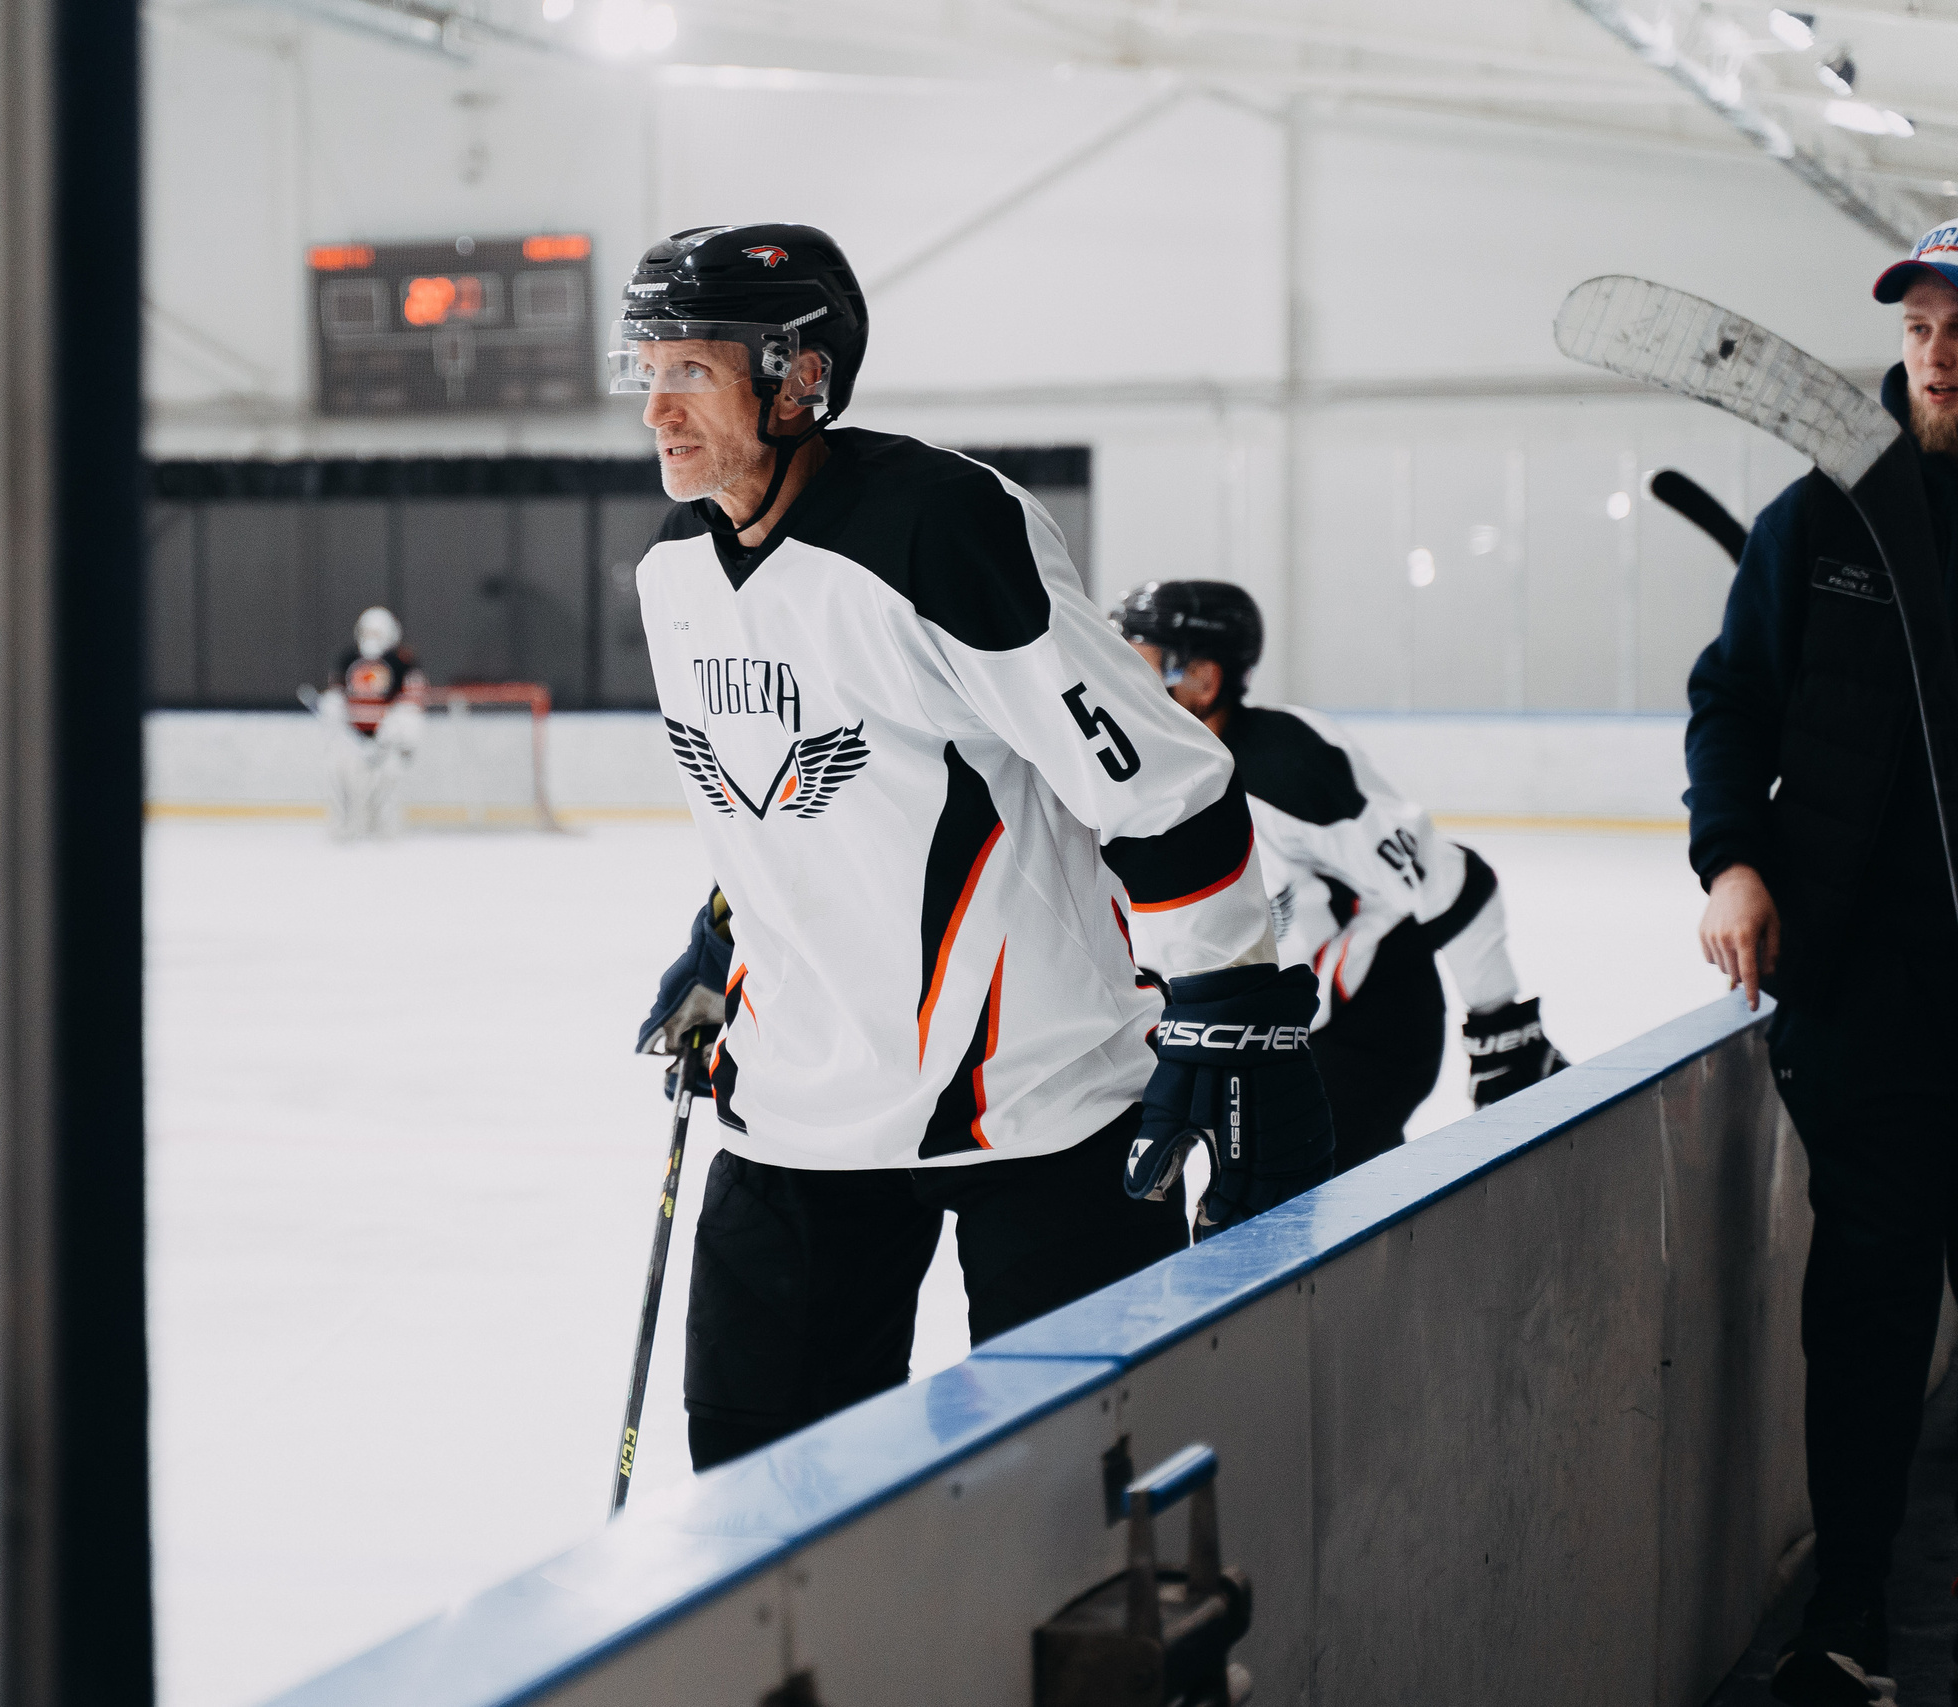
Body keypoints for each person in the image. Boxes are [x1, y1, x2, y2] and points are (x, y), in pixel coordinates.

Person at [616, 222, 1335, 1472]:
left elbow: (1151, 778)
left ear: (798, 375)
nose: (656, 410)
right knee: (753, 1504)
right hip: (791, 1109)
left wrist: (1224, 1000)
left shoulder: (937, 524)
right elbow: (788, 797)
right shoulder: (671, 572)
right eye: (646, 370)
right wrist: (722, 930)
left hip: (1036, 1107)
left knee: (1082, 1491)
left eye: (689, 369)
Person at [1688, 221, 1958, 1706]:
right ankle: (1848, 1617)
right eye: (1920, 322)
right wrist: (1733, 855)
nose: (1939, 348)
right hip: (1865, 989)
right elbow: (1730, 700)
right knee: (1869, 1300)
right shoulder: (1827, 518)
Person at [1106, 580, 1566, 1170]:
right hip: (1263, 1035)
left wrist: (1503, 1027)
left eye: (1139, 659)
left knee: (1309, 1210)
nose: (1118, 678)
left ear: (1204, 678)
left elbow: (1453, 884)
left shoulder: (1291, 768)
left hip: (1366, 1022)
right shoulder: (1133, 767)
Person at [314, 605, 426, 839]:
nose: (371, 639)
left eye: (377, 633)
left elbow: (411, 703)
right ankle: (344, 826)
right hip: (353, 738)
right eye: (368, 632)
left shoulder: (403, 662)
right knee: (337, 770)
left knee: (389, 777)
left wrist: (393, 732)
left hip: (387, 743)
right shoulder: (348, 659)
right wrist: (332, 707)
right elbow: (337, 695)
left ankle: (384, 829)